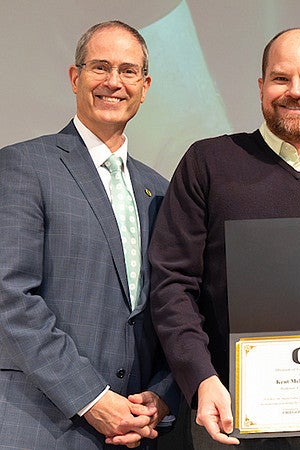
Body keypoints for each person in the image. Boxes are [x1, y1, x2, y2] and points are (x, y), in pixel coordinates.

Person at [148, 28, 300, 449]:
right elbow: (172, 283)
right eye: (281, 78)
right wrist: (201, 379)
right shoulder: (208, 164)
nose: (295, 91)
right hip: (228, 414)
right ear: (261, 86)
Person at [0, 21, 177, 448]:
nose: (113, 82)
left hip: (136, 431)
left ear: (145, 85)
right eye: (100, 68)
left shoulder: (161, 190)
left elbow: (173, 306)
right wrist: (91, 399)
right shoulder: (24, 165)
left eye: (128, 71)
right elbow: (10, 297)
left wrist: (162, 396)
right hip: (42, 425)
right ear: (75, 77)